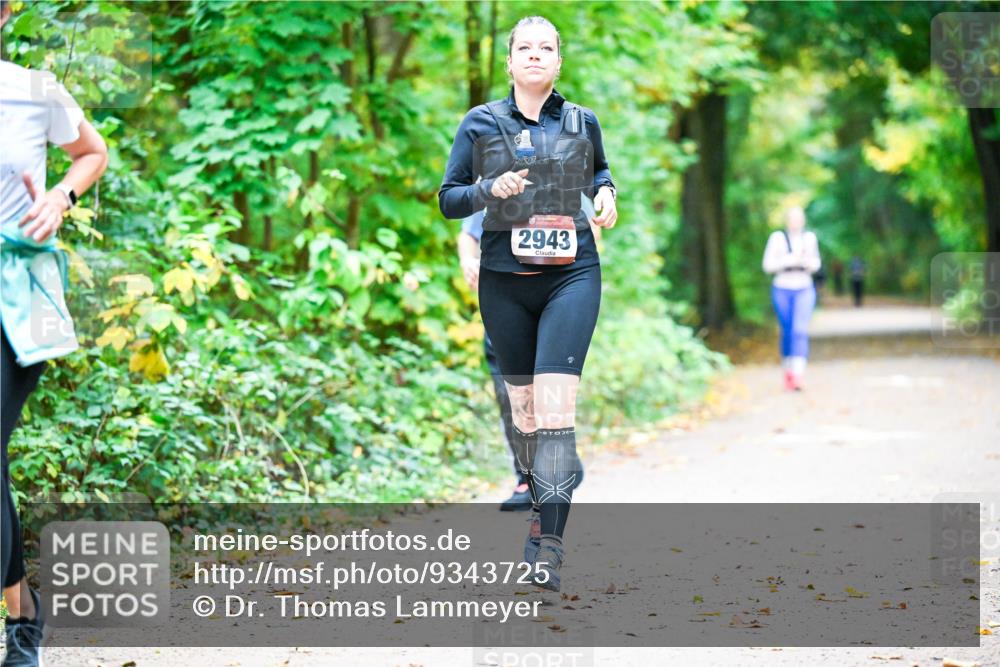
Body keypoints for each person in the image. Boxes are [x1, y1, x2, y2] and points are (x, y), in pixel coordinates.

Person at [439, 15, 617, 592]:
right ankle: (539, 502)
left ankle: (550, 547)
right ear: (510, 61)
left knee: (556, 408)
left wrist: (607, 194)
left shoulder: (581, 119)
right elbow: (449, 199)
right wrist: (490, 189)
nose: (535, 55)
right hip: (503, 279)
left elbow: (601, 172)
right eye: (525, 48)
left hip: (572, 275)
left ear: (558, 62)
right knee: (526, 414)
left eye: (546, 48)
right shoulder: (481, 123)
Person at [1, 1, 109, 663]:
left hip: (15, 298)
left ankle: (23, 617)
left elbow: (91, 152)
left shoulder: (34, 89)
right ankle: (24, 609)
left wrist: (60, 197)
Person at [457, 209, 531, 512]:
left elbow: (591, 229)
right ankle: (526, 478)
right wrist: (468, 262)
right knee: (508, 390)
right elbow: (468, 234)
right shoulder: (491, 178)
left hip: (553, 298)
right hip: (500, 298)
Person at [762, 206, 821, 392]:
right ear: (787, 221)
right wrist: (787, 261)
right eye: (792, 218)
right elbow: (767, 266)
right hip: (782, 288)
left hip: (804, 287)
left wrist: (806, 262)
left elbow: (816, 264)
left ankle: (797, 373)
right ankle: (788, 368)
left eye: (799, 218)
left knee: (799, 330)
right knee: (787, 330)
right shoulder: (777, 238)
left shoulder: (809, 238)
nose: (796, 222)